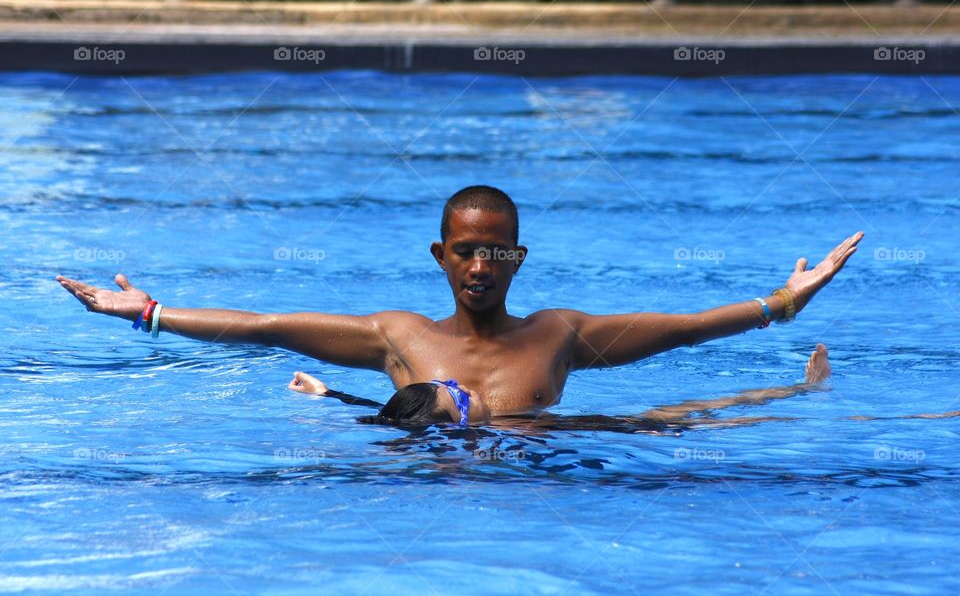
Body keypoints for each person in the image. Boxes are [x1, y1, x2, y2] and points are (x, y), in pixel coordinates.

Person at [57, 185, 864, 419]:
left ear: (518, 257)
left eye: (496, 249)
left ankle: (798, 388)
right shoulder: (395, 336)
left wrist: (777, 304)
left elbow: (684, 329)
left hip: (554, 469)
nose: (480, 264)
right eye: (465, 250)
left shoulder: (560, 335)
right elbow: (267, 327)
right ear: (441, 256)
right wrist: (153, 314)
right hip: (418, 483)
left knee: (683, 417)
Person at [287, 344, 833, 428]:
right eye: (457, 394)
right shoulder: (489, 437)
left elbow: (383, 414)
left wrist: (327, 393)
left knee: (691, 409)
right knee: (688, 418)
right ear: (453, 424)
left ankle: (797, 394)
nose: (464, 386)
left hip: (573, 432)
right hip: (585, 437)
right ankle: (798, 401)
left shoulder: (417, 419)